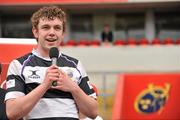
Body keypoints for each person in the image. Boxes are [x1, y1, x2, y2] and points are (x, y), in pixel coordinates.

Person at [5, 6, 98, 120]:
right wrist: (44, 85)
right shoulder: (18, 65)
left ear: (63, 33)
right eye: (46, 27)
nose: (52, 32)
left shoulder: (76, 65)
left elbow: (93, 112)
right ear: (35, 32)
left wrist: (73, 88)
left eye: (57, 28)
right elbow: (12, 112)